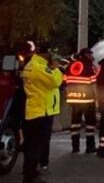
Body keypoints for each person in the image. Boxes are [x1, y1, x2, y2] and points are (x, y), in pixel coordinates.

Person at [21, 41, 62, 183]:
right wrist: (55, 69)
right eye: (50, 53)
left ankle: (30, 173)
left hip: (36, 110)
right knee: (35, 147)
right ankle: (31, 176)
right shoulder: (39, 67)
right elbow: (56, 81)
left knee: (32, 145)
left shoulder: (33, 65)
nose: (51, 56)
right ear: (46, 53)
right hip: (40, 112)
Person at [64, 48, 98, 154]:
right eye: (90, 54)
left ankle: (75, 147)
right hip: (87, 99)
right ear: (86, 55)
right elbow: (94, 83)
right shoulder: (89, 66)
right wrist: (97, 98)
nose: (92, 56)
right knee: (90, 123)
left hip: (73, 98)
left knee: (75, 123)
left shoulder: (71, 65)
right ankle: (90, 146)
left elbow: (64, 80)